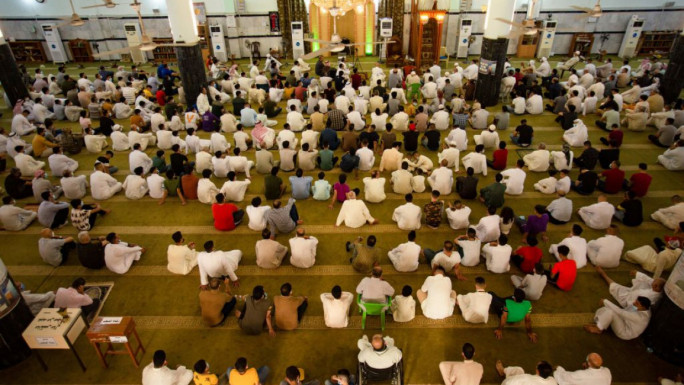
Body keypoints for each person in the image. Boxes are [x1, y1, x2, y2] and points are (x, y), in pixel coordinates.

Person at [584, 296, 651, 340]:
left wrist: (605, 301)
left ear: (643, 307)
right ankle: (599, 324)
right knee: (607, 308)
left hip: (625, 332)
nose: (634, 303)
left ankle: (598, 329)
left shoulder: (641, 317)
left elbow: (621, 313)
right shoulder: (643, 308)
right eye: (635, 301)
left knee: (611, 312)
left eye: (637, 303)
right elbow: (623, 312)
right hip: (625, 321)